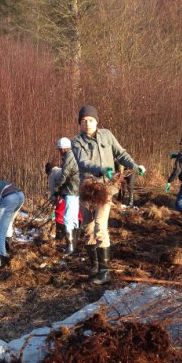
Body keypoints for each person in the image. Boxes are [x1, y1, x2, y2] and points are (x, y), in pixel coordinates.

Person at [72, 105, 146, 284]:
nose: (87, 124)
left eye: (90, 120)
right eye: (83, 121)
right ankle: (95, 266)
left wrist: (135, 166)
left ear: (97, 121)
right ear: (80, 124)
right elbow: (83, 162)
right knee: (87, 229)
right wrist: (101, 169)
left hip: (105, 189)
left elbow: (121, 153)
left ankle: (105, 273)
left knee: (99, 226)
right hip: (87, 189)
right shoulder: (77, 141)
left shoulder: (107, 135)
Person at [51, 137, 80, 253]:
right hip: (76, 189)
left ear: (63, 149)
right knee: (73, 218)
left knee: (68, 218)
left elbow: (65, 175)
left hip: (72, 190)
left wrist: (57, 189)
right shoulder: (74, 155)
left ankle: (70, 247)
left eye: (59, 149)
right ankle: (74, 245)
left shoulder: (69, 157)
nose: (59, 151)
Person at [45, 162, 66, 241]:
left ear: (47, 171)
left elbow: (53, 190)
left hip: (64, 195)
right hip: (72, 193)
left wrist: (54, 201)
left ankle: (60, 237)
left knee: (59, 215)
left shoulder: (51, 174)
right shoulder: (59, 170)